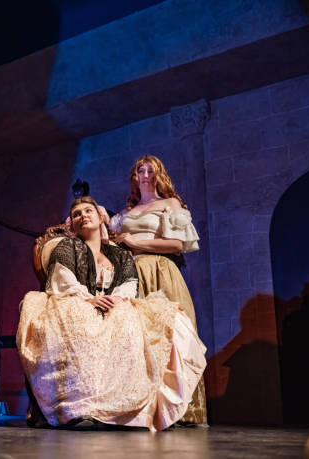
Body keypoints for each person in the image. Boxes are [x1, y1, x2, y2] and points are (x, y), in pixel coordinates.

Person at [17, 196, 206, 431]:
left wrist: (116, 299)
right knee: (78, 318)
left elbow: (130, 283)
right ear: (73, 224)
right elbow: (62, 278)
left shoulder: (119, 254)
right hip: (78, 299)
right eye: (77, 214)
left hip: (114, 302)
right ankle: (80, 408)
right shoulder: (68, 246)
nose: (83, 215)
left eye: (88, 211)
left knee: (165, 320)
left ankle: (128, 408)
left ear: (100, 218)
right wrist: (90, 298)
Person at [108, 154, 207, 425]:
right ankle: (143, 410)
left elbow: (176, 245)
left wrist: (135, 243)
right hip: (131, 274)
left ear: (159, 175)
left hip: (161, 271)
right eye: (141, 170)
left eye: (151, 170)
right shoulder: (124, 214)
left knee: (172, 336)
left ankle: (182, 411)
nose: (146, 175)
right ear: (134, 177)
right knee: (138, 340)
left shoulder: (170, 204)